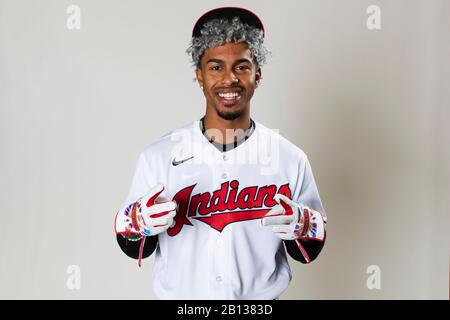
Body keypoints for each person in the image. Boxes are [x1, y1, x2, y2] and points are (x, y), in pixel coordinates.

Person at [114, 6, 327, 300]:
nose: (230, 79)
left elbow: (309, 251)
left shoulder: (289, 158)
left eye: (241, 66)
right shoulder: (159, 156)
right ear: (199, 75)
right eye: (216, 67)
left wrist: (303, 224)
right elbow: (130, 243)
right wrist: (138, 223)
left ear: (257, 74)